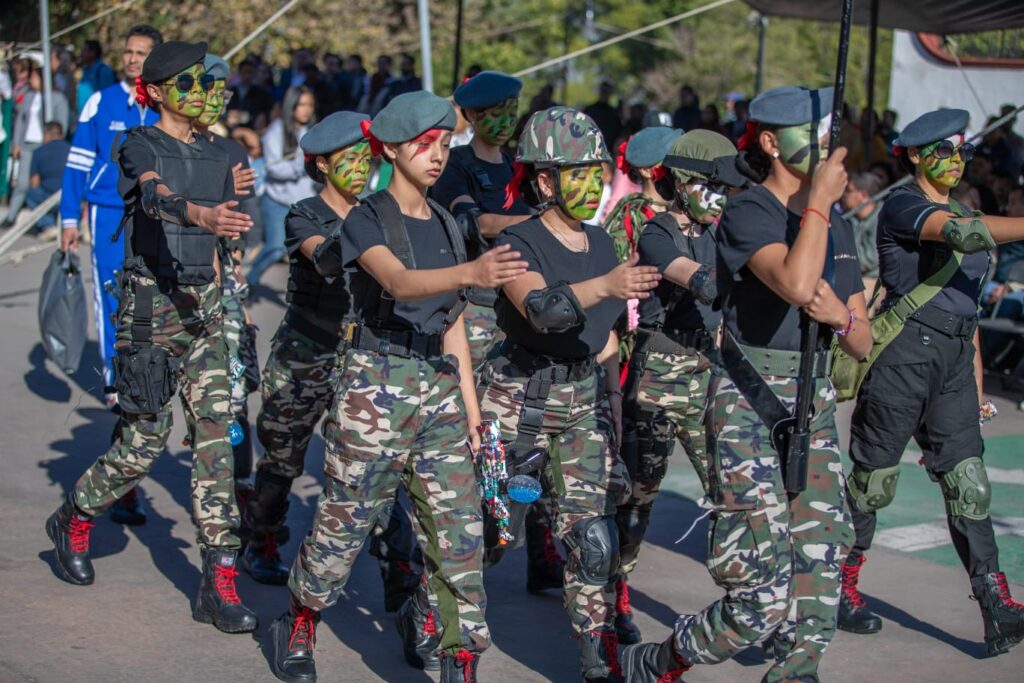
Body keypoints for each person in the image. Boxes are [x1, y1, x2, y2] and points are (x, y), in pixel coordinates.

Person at [269, 91, 528, 683]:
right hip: (376, 385)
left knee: (459, 536)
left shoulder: (445, 222)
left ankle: (459, 658)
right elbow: (400, 281)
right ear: (389, 149)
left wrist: (473, 417)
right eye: (424, 144)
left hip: (439, 386)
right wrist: (473, 271)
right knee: (343, 524)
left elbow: (454, 321)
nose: (437, 155)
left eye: (444, 144)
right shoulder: (366, 217)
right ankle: (301, 617)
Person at [621, 85, 868, 682]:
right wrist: (819, 205)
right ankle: (663, 659)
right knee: (761, 594)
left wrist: (842, 318)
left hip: (812, 403)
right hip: (751, 401)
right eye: (813, 133)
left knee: (821, 569)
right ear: (772, 143)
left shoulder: (833, 225)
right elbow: (795, 284)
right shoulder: (749, 211)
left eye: (828, 131)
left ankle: (796, 671)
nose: (825, 143)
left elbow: (860, 341)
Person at [44, 40, 259, 634]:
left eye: (206, 81)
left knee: (216, 440)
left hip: (208, 313)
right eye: (187, 83)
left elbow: (229, 240)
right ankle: (74, 515)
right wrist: (201, 214)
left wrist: (232, 300)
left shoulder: (222, 153)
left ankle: (219, 582)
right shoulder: (137, 142)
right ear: (158, 92)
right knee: (143, 442)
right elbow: (153, 194)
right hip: (151, 313)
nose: (203, 92)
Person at [481, 106, 659, 682]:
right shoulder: (517, 240)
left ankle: (597, 655)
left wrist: (613, 403)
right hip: (517, 400)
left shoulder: (601, 242)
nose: (593, 184)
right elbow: (544, 310)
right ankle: (431, 617)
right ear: (544, 181)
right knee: (487, 533)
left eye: (597, 172)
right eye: (577, 173)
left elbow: (605, 337)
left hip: (583, 402)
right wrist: (607, 284)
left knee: (593, 539)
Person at [839, 108, 1024, 656]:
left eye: (962, 150)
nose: (956, 160)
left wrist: (977, 387)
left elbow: (967, 313)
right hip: (903, 359)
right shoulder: (904, 205)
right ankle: (840, 586)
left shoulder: (964, 210)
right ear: (916, 156)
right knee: (872, 482)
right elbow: (964, 236)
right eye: (943, 150)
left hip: (952, 364)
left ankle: (996, 607)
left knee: (970, 483)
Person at [616, 129, 744, 646]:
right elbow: (690, 275)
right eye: (715, 188)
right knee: (638, 493)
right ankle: (615, 594)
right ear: (687, 183)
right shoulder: (657, 231)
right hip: (659, 373)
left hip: (710, 369)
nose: (723, 198)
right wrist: (727, 278)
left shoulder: (722, 229)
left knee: (730, 486)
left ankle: (748, 600)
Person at [60, 24, 162, 419]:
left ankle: (150, 374)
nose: (132, 59)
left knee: (152, 295)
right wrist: (69, 219)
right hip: (107, 212)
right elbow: (77, 165)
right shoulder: (100, 102)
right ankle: (114, 380)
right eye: (128, 51)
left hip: (153, 213)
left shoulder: (165, 104)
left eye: (141, 53)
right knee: (110, 293)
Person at [192, 53, 261, 504]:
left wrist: (237, 298)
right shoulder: (152, 145)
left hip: (221, 290)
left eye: (222, 92)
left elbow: (240, 233)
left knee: (233, 395)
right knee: (150, 405)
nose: (215, 100)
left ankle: (238, 492)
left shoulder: (232, 152)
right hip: (166, 293)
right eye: (207, 90)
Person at [249, 85, 316, 286]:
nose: (306, 110)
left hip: (303, 203)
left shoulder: (311, 131)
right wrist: (300, 163)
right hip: (276, 201)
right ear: (291, 106)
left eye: (310, 105)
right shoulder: (276, 130)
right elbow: (275, 169)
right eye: (302, 105)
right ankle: (248, 282)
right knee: (276, 248)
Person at [4, 63, 69, 226]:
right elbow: (20, 121)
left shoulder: (57, 98)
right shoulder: (29, 96)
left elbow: (62, 124)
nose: (30, 80)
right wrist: (16, 143)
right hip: (27, 144)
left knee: (45, 184)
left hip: (45, 146)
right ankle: (11, 216)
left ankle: (45, 221)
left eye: (33, 77)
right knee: (22, 184)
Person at [25, 120, 70, 240]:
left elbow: (34, 183)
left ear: (47, 134)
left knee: (31, 194)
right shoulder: (71, 150)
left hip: (49, 198)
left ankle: (48, 226)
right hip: (69, 198)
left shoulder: (39, 152)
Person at [841, 171, 884, 295]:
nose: (844, 194)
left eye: (848, 190)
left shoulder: (882, 219)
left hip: (874, 281)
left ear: (863, 195)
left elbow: (870, 260)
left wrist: (840, 256)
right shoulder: (851, 218)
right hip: (853, 277)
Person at [76, 39, 117, 115]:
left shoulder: (104, 71)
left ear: (93, 53)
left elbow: (108, 96)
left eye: (84, 50)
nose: (82, 53)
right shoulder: (85, 70)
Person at [585, 81, 623, 152]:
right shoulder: (589, 110)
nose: (605, 94)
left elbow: (618, 133)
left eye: (607, 92)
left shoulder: (614, 113)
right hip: (591, 149)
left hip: (608, 151)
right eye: (603, 91)